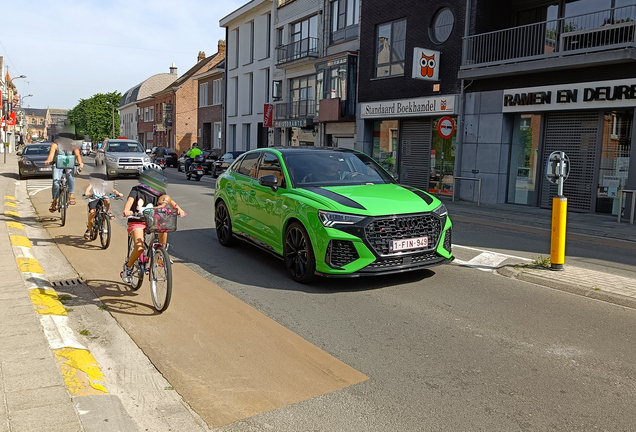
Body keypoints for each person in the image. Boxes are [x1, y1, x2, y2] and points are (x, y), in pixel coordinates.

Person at [121, 168, 185, 284]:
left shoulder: (159, 191)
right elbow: (130, 201)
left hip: (152, 221)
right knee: (139, 247)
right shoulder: (137, 190)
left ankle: (161, 252)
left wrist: (179, 209)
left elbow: (169, 201)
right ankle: (128, 267)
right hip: (137, 219)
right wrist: (127, 210)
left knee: (164, 227)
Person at [44, 124, 84, 213]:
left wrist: (80, 163)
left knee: (70, 177)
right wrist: (48, 160)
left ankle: (71, 196)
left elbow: (77, 154)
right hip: (58, 164)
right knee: (56, 181)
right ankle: (54, 201)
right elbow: (51, 155)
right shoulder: (55, 144)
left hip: (70, 164)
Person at [83, 176, 123, 240]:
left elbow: (112, 190)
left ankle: (107, 213)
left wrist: (118, 193)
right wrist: (87, 192)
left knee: (107, 199)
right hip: (94, 198)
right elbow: (88, 188)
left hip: (102, 198)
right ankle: (89, 230)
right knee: (92, 212)